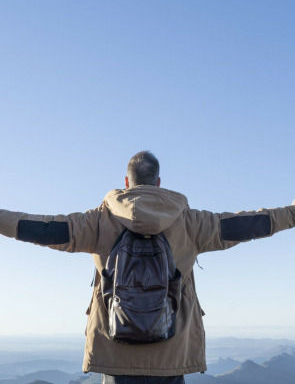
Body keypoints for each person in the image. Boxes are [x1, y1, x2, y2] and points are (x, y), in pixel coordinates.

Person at [1, 151, 295, 384]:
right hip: (171, 353)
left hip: (116, 354)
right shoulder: (192, 223)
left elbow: (40, 228)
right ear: (158, 183)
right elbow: (248, 224)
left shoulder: (97, 222)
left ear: (126, 182)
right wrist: (292, 213)